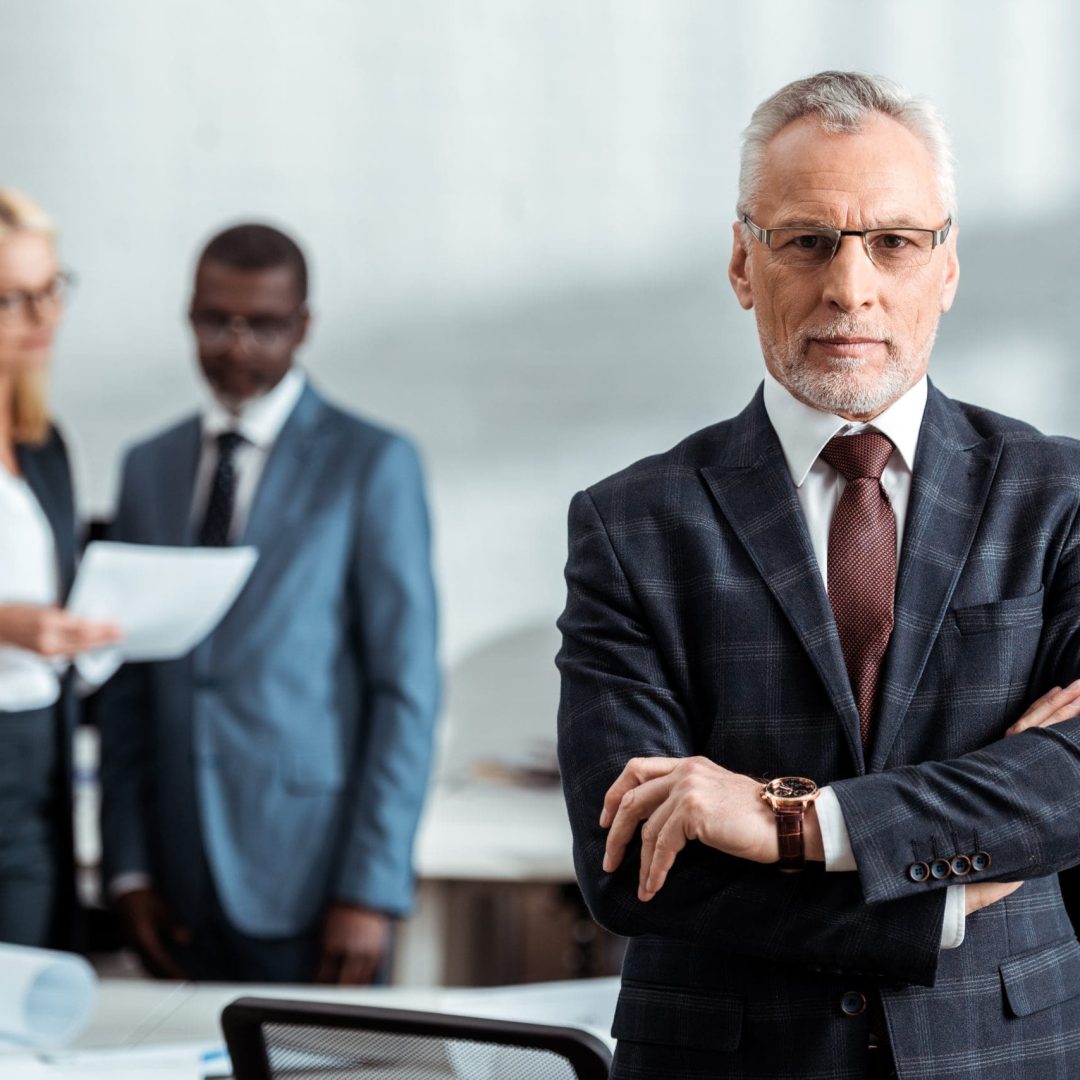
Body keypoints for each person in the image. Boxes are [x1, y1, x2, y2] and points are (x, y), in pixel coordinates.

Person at [556, 72, 1080, 1080]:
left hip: (1009, 1052)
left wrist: (794, 824)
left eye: (893, 240)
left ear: (948, 266)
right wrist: (942, 899)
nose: (851, 287)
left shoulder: (1059, 497)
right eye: (807, 241)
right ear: (743, 264)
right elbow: (628, 863)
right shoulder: (630, 525)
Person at [97, 223, 439, 984]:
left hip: (315, 879)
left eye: (266, 325)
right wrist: (127, 869)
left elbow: (406, 690)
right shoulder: (148, 467)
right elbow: (127, 685)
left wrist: (370, 888)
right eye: (217, 321)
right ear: (190, 315)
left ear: (304, 326)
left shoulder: (371, 463)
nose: (237, 346)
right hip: (173, 875)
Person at [0, 189, 119, 947]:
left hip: (34, 787)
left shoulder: (42, 445)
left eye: (52, 290)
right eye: (13, 299)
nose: (46, 318)